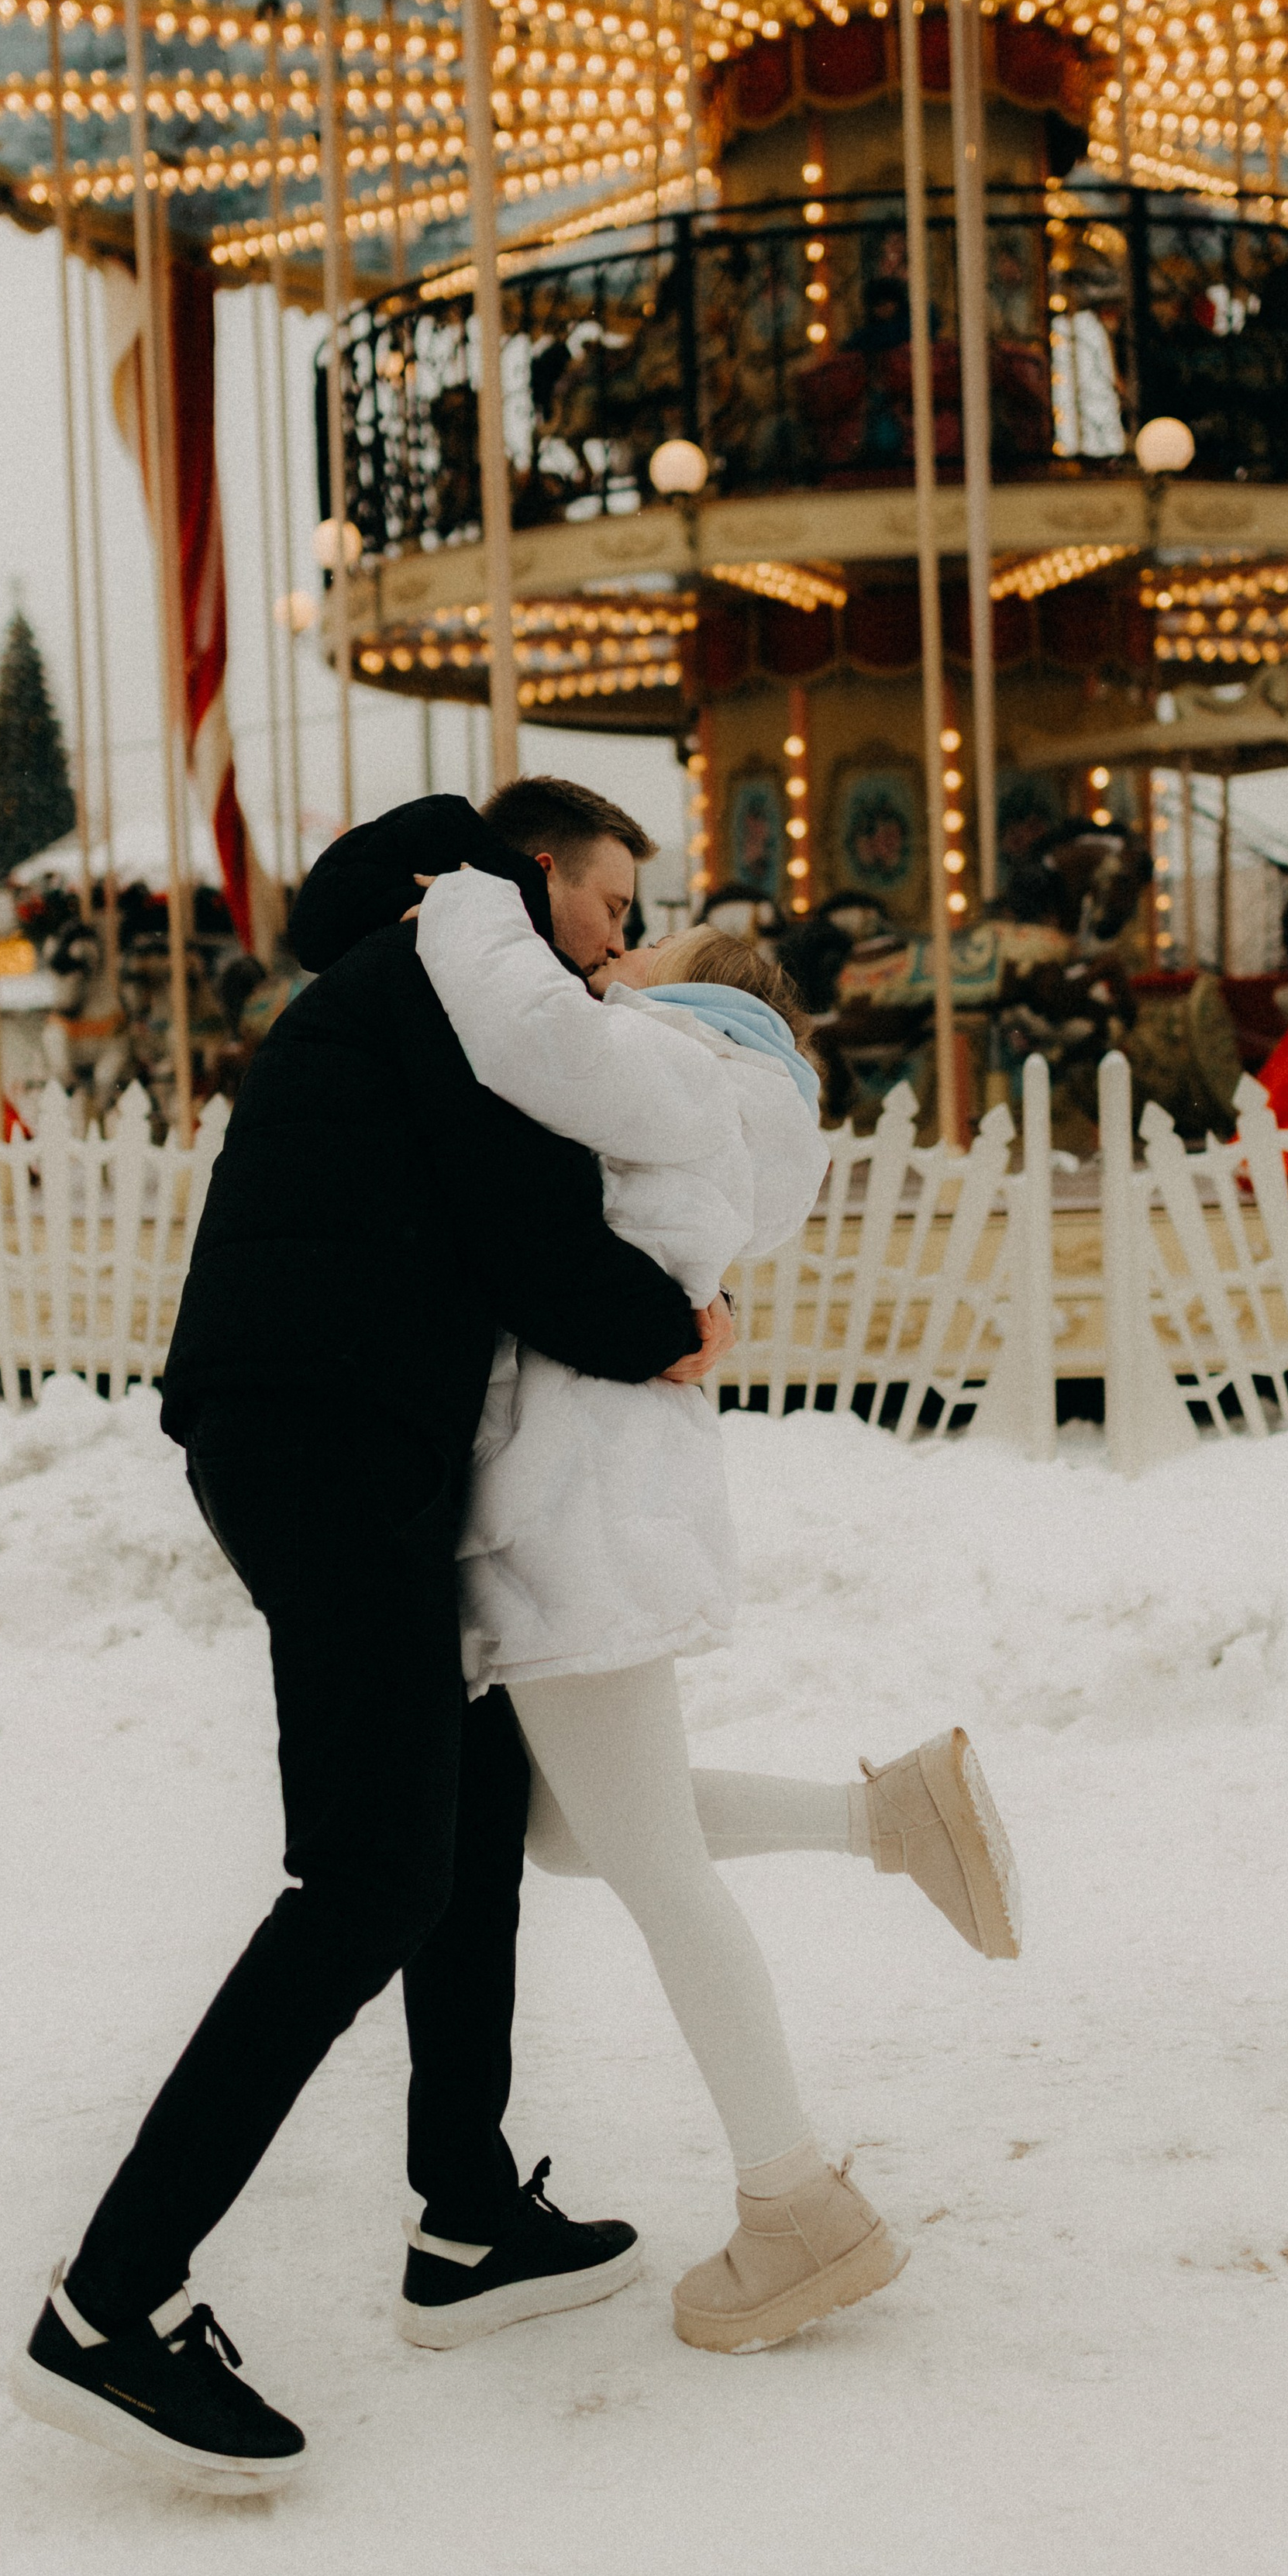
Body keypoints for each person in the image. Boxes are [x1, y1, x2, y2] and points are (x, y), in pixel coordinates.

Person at [13, 784, 731, 2493]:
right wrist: (678, 1325)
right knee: (368, 1877)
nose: (623, 942)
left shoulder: (432, 964)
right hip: (323, 1438)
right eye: (612, 902)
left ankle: (466, 2214)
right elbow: (530, 1237)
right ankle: (108, 2306)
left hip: (336, 1430)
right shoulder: (463, 984)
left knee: (470, 1792)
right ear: (533, 875)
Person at [413, 868, 1019, 2357]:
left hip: (578, 1508)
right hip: (603, 1496)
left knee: (656, 1877)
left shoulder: (678, 1067)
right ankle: (887, 1821)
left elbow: (515, 1027)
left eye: (648, 938)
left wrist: (470, 900)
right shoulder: (714, 1092)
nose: (615, 951)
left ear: (709, 990)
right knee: (574, 1835)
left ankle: (793, 2198)